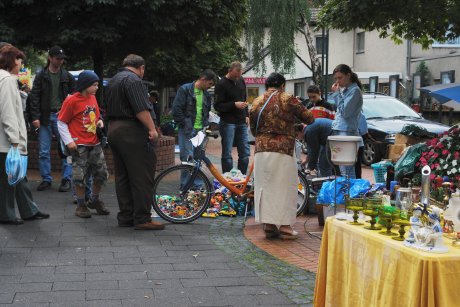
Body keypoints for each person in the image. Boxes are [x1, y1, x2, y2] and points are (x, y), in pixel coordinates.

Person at [249, 72, 314, 240]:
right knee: (285, 186)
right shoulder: (287, 98)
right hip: (283, 149)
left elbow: (253, 129)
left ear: (267, 85)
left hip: (261, 150)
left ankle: (269, 226)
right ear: (283, 85)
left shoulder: (257, 101)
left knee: (266, 187)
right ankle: (285, 227)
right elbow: (309, 118)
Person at [105, 54, 164, 230]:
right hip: (131, 131)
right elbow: (141, 109)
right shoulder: (134, 80)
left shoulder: (113, 80)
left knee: (122, 176)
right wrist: (152, 129)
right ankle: (142, 218)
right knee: (141, 176)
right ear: (141, 67)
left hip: (114, 129)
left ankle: (126, 216)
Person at [0, 45, 50, 224]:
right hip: (7, 140)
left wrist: (22, 94)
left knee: (18, 175)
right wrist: (15, 139)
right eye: (20, 60)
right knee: (9, 178)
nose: (21, 65)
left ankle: (28, 210)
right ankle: (6, 214)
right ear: (13, 60)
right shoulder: (6, 80)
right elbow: (8, 112)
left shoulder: (7, 80)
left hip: (6, 139)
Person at [57, 70, 110, 218]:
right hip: (78, 145)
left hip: (95, 143)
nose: (97, 87)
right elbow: (61, 122)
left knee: (101, 174)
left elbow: (97, 114)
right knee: (80, 176)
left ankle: (95, 200)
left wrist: (99, 121)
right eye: (94, 85)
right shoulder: (71, 100)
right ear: (85, 85)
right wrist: (69, 142)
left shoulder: (92, 97)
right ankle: (81, 205)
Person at [28, 45, 75, 192]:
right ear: (50, 58)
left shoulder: (67, 76)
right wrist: (35, 117)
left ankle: (66, 179)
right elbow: (34, 97)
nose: (60, 61)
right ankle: (46, 179)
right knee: (43, 150)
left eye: (62, 59)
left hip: (63, 117)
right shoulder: (41, 76)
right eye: (57, 58)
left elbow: (74, 98)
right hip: (45, 116)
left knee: (67, 148)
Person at [172, 69, 217, 187]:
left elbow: (206, 113)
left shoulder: (206, 94)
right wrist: (186, 125)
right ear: (203, 79)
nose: (210, 87)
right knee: (188, 159)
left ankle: (197, 187)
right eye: (210, 84)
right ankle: (185, 187)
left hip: (200, 131)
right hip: (188, 130)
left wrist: (206, 128)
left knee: (197, 159)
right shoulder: (185, 89)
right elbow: (176, 110)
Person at [214, 61, 250, 174]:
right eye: (235, 76)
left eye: (239, 76)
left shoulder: (241, 80)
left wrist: (247, 115)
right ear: (229, 71)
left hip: (241, 121)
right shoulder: (221, 84)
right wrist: (234, 104)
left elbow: (245, 99)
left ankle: (242, 179)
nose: (237, 78)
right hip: (228, 122)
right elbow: (217, 106)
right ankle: (228, 181)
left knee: (244, 153)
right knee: (227, 154)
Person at [330, 64, 363, 179]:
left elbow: (345, 112)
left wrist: (336, 93)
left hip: (347, 131)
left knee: (347, 167)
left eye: (340, 78)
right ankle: (347, 193)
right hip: (340, 130)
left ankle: (349, 194)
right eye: (336, 79)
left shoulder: (354, 91)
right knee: (342, 166)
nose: (338, 81)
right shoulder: (346, 91)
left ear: (348, 75)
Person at [355, 112, 368, 179]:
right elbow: (364, 132)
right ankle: (357, 182)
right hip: (358, 143)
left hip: (345, 143)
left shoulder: (341, 114)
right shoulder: (360, 115)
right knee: (357, 166)